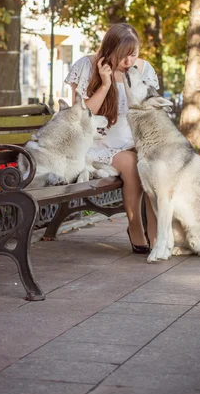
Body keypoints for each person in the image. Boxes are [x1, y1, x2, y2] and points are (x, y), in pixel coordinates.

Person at [65, 23, 158, 253]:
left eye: (133, 55)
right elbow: (80, 117)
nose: (129, 62)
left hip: (133, 142)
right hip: (97, 145)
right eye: (122, 56)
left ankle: (158, 236)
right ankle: (135, 226)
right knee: (132, 164)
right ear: (109, 51)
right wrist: (106, 85)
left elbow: (150, 113)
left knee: (154, 166)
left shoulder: (143, 70)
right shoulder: (86, 67)